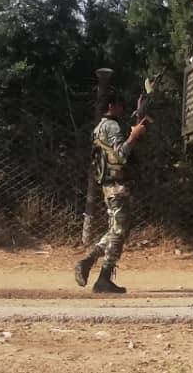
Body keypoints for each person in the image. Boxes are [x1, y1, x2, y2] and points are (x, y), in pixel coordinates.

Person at [73, 93, 148, 294]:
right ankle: (100, 274)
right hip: (117, 186)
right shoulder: (112, 126)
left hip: (109, 186)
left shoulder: (99, 128)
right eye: (119, 105)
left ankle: (91, 265)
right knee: (119, 231)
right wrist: (134, 135)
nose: (122, 109)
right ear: (111, 105)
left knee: (117, 229)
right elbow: (120, 155)